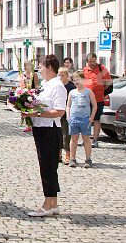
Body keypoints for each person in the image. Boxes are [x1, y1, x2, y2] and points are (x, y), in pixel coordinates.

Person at [28, 54, 67, 217]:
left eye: (41, 66)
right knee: (47, 166)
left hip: (50, 130)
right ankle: (53, 203)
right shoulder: (46, 84)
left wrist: (37, 113)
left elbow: (59, 111)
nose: (40, 69)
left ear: (50, 67)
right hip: (41, 129)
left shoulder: (57, 86)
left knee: (48, 167)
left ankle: (48, 204)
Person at [66, 70, 97, 168]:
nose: (76, 82)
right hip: (74, 118)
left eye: (78, 79)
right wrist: (68, 116)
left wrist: (92, 117)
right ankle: (72, 158)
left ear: (84, 80)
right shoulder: (72, 92)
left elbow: (94, 105)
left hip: (85, 119)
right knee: (74, 139)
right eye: (74, 80)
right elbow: (68, 105)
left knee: (86, 139)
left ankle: (88, 159)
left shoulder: (88, 91)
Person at [82, 52, 112, 147]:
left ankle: (95, 140)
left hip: (98, 98)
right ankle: (85, 139)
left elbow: (109, 81)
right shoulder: (85, 70)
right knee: (86, 119)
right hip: (86, 98)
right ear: (87, 61)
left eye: (94, 61)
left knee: (96, 119)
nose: (92, 63)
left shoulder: (101, 68)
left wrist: (102, 90)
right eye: (90, 61)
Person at [57, 67, 75, 165]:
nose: (60, 77)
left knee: (66, 135)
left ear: (67, 77)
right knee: (57, 135)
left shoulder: (70, 87)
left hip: (67, 114)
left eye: (62, 75)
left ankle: (68, 155)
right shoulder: (57, 86)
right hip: (57, 113)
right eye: (58, 75)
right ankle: (58, 154)